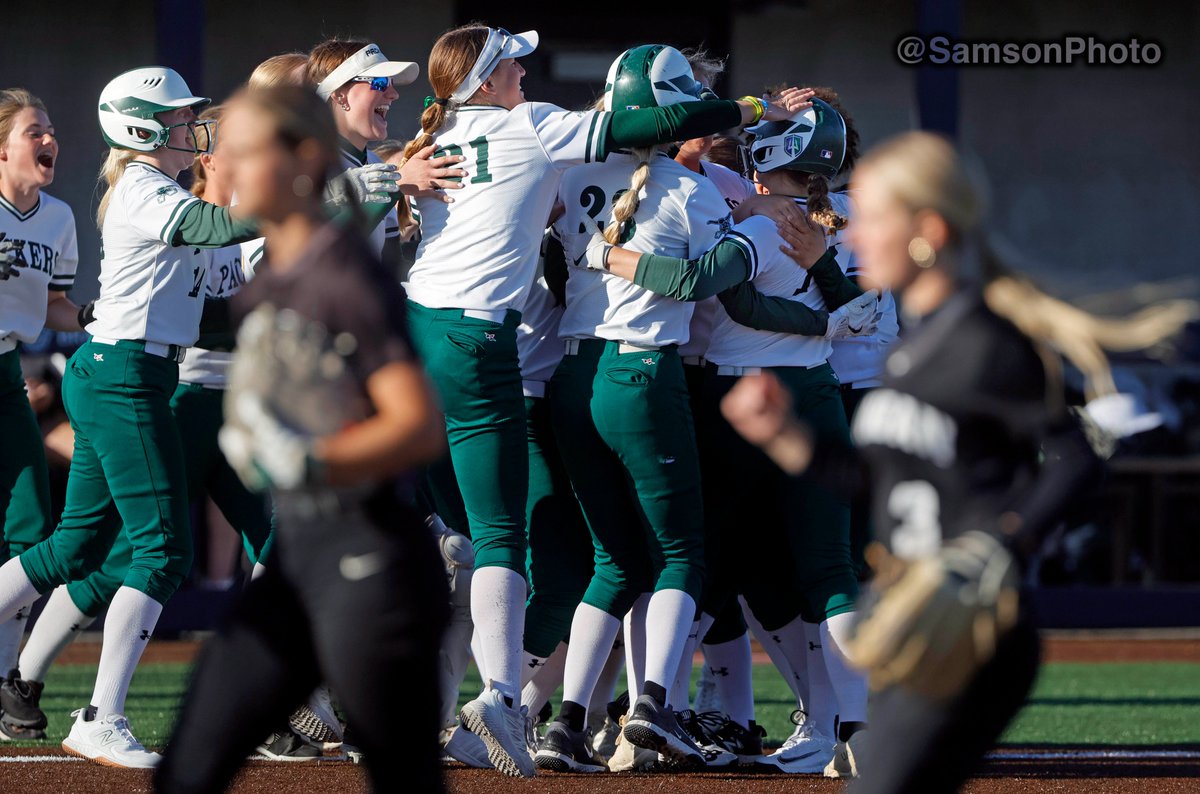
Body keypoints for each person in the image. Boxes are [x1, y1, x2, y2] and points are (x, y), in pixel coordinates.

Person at [718, 130, 1192, 792]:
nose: (853, 237)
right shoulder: (919, 344)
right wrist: (787, 440)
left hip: (974, 632)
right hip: (923, 625)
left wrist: (1002, 545)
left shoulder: (983, 340)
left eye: (873, 221)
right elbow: (882, 482)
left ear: (927, 232)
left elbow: (1077, 458)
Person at [402, 22, 812, 776]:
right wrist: (754, 173)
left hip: (460, 347)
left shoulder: (454, 137)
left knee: (582, 556)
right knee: (665, 548)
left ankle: (543, 717)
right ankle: (627, 702)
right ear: (486, 80)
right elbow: (706, 275)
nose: (526, 70)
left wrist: (389, 177)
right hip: (594, 368)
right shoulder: (553, 137)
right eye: (512, 63)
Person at [155, 85, 448, 794]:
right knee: (187, 770)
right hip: (297, 561)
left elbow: (418, 424)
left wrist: (308, 458)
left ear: (305, 158)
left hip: (372, 567)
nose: (222, 163)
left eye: (245, 150)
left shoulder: (342, 276)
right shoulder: (271, 279)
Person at [0, 67, 264, 766]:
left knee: (76, 548)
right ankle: (100, 715)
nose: (189, 128)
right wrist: (318, 190)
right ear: (141, 127)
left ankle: (82, 705)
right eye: (177, 119)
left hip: (127, 371)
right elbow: (220, 221)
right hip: (122, 374)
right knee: (162, 551)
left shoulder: (157, 186)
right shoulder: (145, 185)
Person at [0, 87, 86, 740]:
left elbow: (55, 306)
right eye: (35, 129)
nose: (49, 137)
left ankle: (7, 686)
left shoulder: (56, 216)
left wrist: (97, 316)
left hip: (7, 373)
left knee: (31, 528)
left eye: (51, 128)